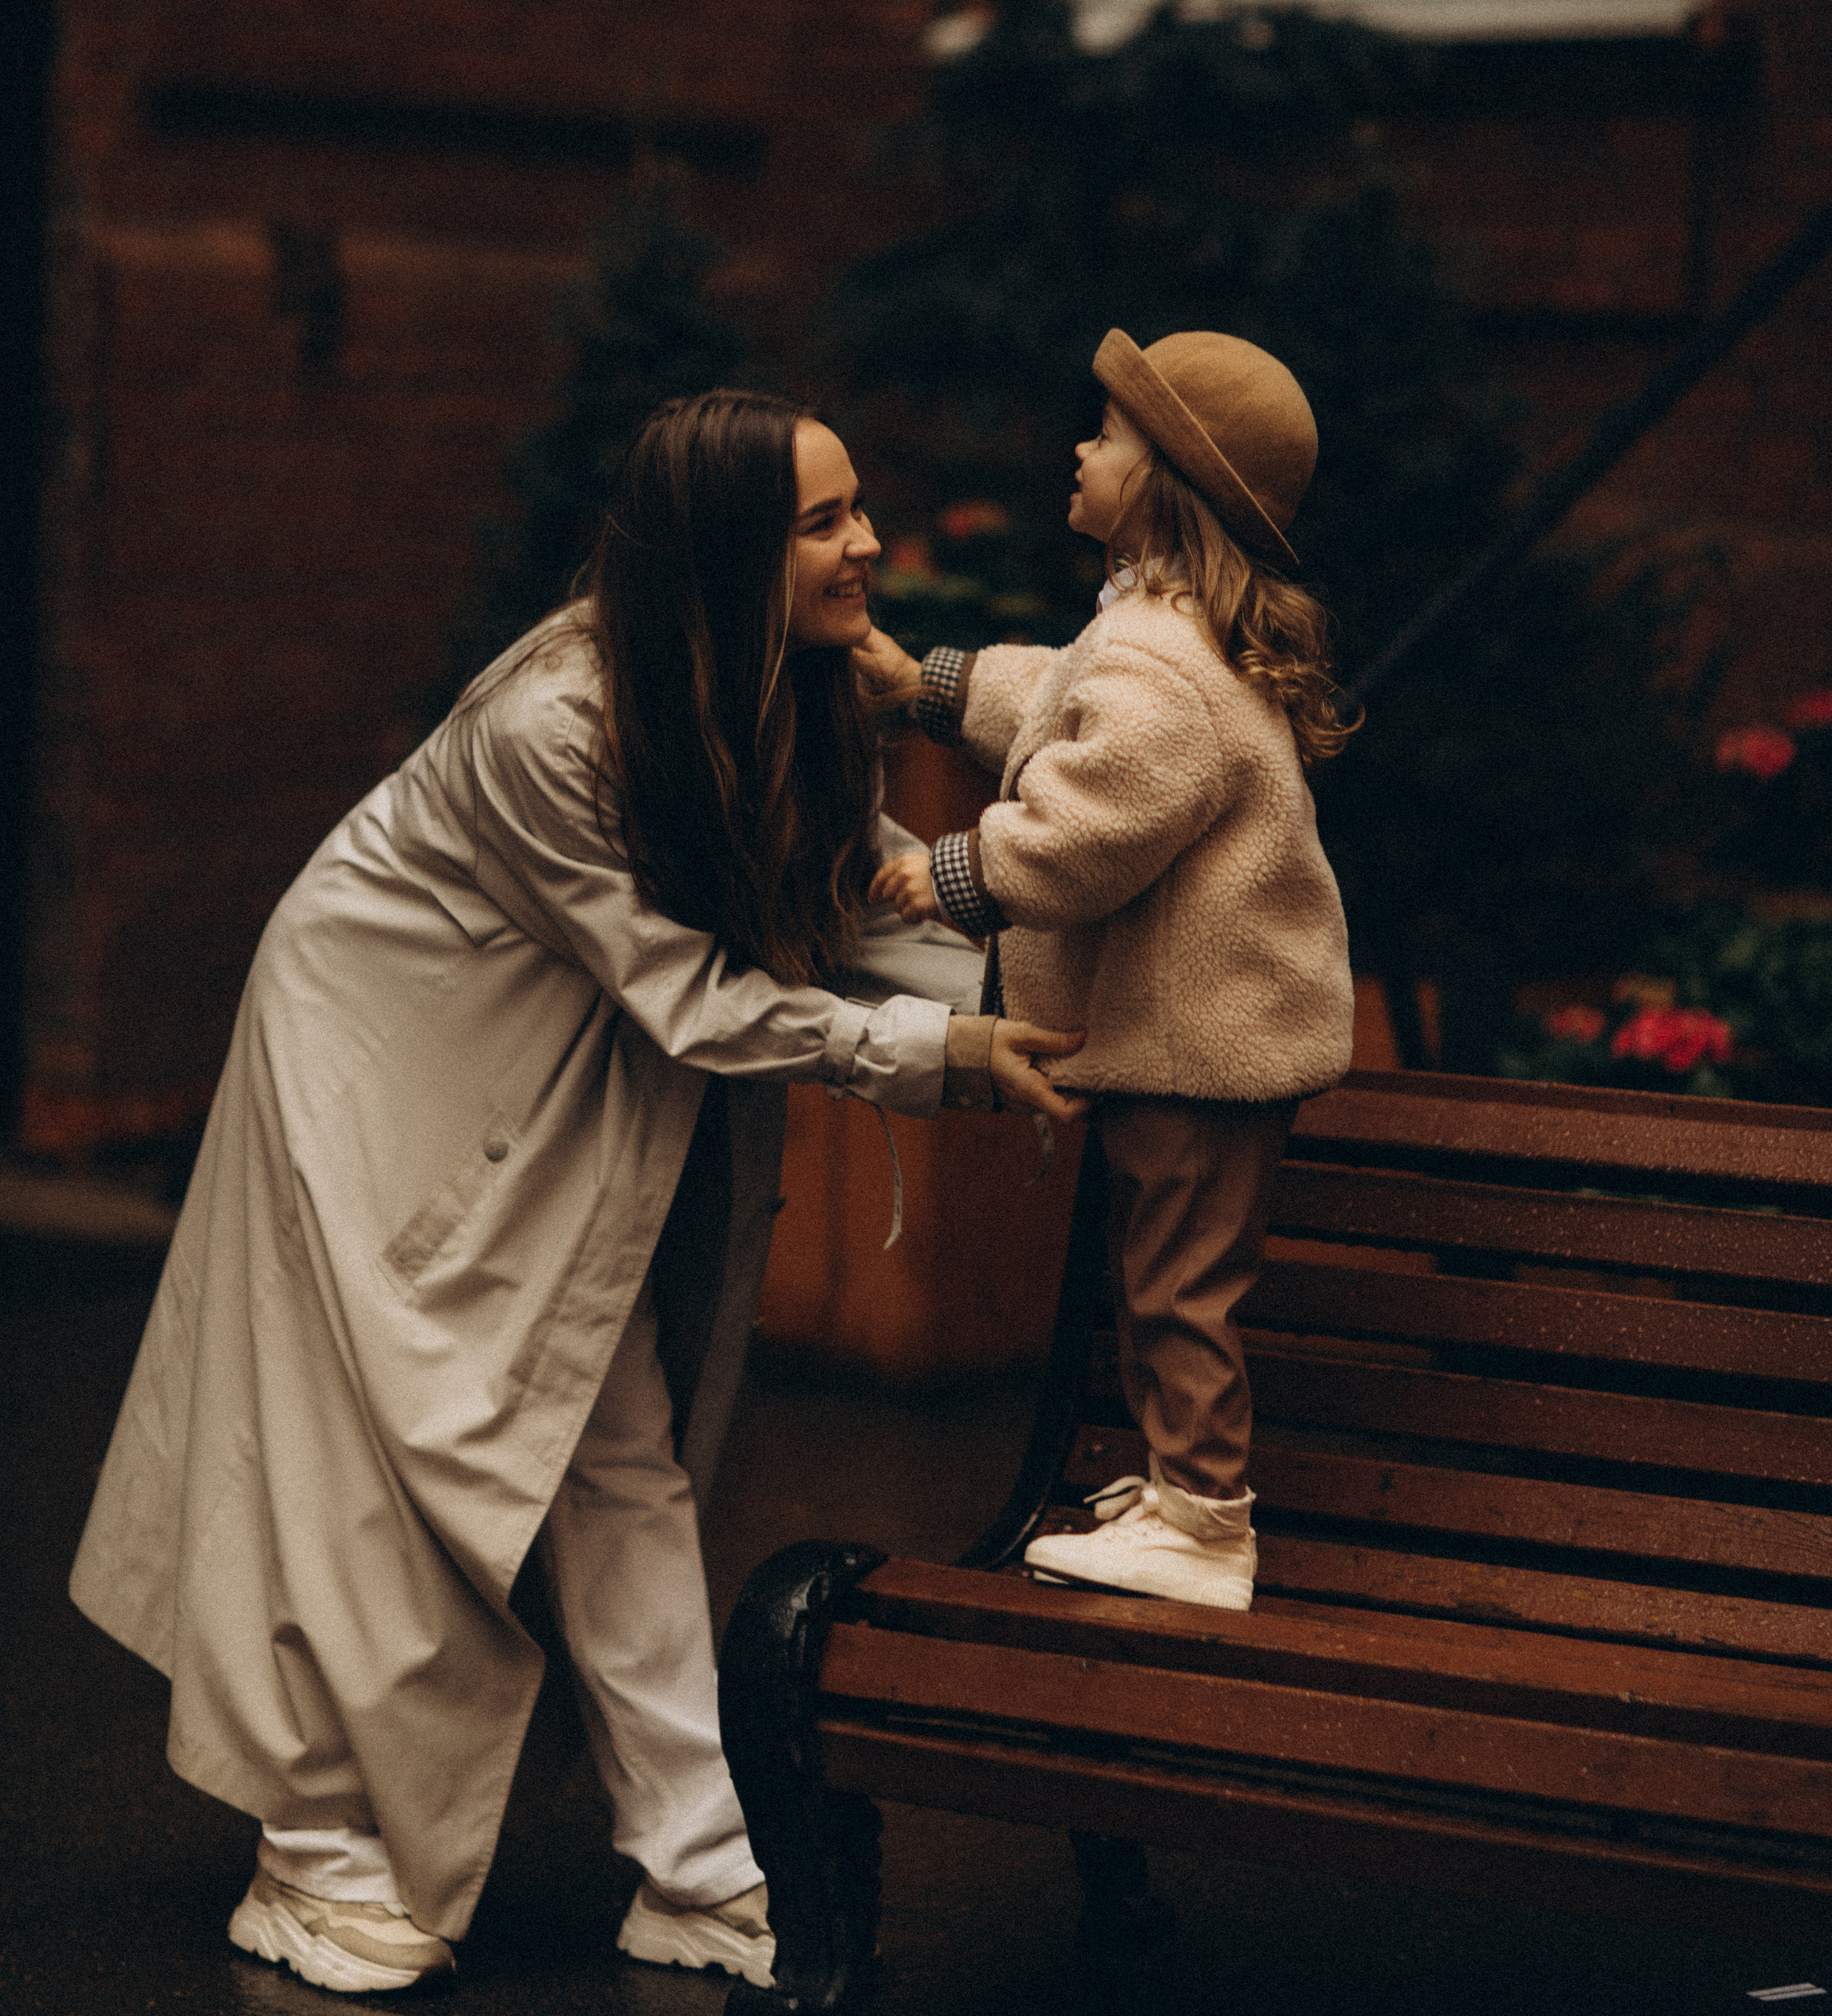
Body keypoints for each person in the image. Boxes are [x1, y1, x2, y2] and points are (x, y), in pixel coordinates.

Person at [70, 389, 1085, 1995]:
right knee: (390, 1465)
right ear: (723, 552)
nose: (868, 542)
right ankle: (334, 1849)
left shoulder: (780, 684)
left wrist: (1058, 988)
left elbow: (841, 893)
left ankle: (693, 1870)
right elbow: (689, 992)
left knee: (608, 1447)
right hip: (388, 1062)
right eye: (822, 520)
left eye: (857, 507)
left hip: (559, 1052)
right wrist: (940, 1057)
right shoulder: (554, 724)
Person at [862, 328, 1356, 1609]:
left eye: (1110, 435)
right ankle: (1180, 1484)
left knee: (1179, 1286)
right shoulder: (1152, 629)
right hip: (1203, 1039)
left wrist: (955, 871)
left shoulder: (1161, 663)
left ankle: (1203, 1522)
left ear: (1167, 487)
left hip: (1208, 1049)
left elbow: (1097, 824)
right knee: (1162, 1274)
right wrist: (931, 683)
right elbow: (1055, 698)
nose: (1083, 448)